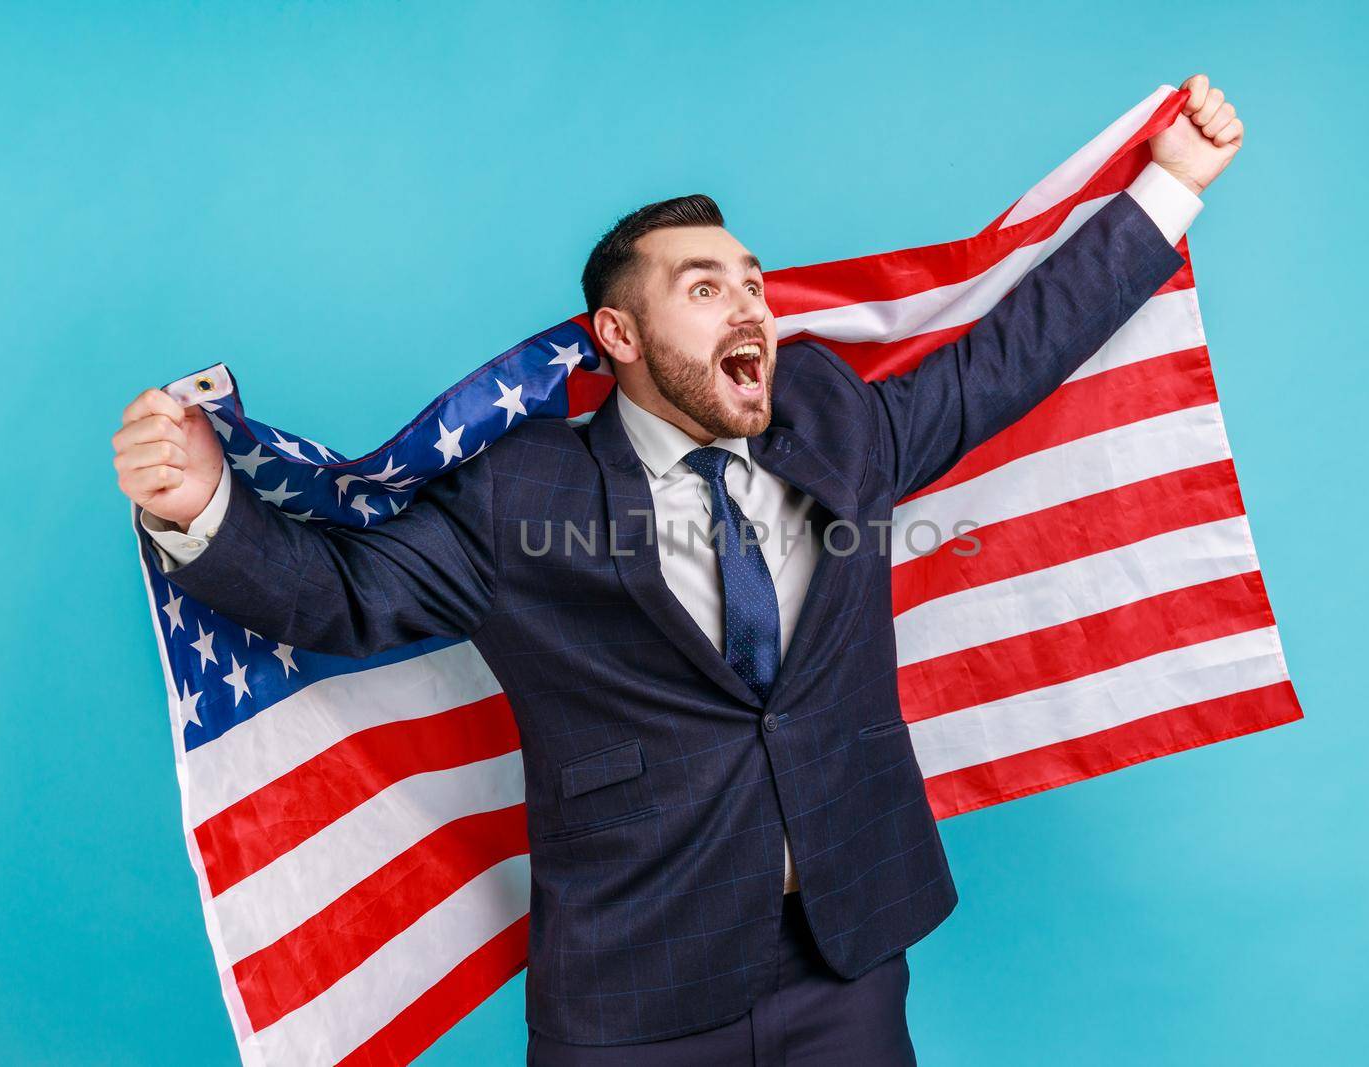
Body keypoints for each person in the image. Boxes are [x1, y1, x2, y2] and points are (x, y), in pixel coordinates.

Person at [113, 74, 1242, 1066]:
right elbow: (339, 598)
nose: (748, 305)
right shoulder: (524, 492)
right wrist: (197, 505)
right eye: (704, 289)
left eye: (751, 283)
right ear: (618, 335)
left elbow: (1008, 356)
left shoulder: (830, 421)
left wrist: (1172, 187)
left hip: (845, 967)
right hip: (633, 998)